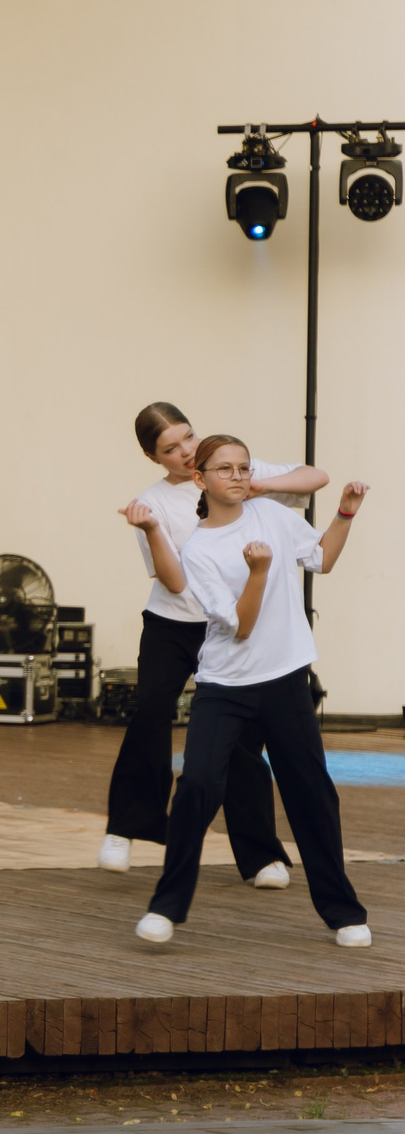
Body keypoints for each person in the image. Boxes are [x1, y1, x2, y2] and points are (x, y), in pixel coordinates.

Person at [131, 434, 371, 948]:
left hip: (285, 679)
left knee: (311, 792)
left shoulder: (274, 516)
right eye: (224, 469)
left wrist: (345, 514)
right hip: (226, 686)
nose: (238, 476)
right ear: (200, 479)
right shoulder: (199, 550)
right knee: (198, 785)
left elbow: (322, 559)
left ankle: (344, 913)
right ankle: (166, 906)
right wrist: (258, 572)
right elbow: (242, 626)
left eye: (243, 467)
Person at [102, 401, 318, 881]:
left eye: (188, 437)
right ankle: (126, 826)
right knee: (151, 711)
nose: (184, 451)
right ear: (153, 457)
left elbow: (315, 477)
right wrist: (151, 528)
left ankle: (260, 855)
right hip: (173, 625)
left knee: (240, 740)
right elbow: (175, 582)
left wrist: (260, 485)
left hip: (230, 628)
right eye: (169, 448)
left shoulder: (233, 470)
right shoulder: (152, 502)